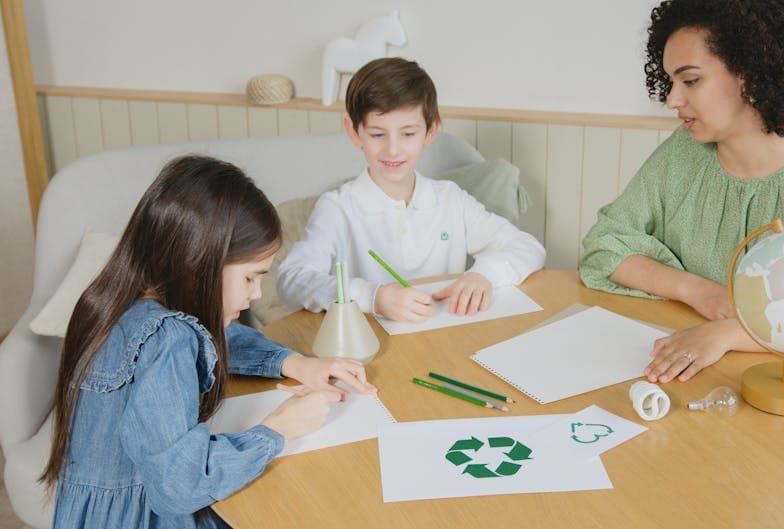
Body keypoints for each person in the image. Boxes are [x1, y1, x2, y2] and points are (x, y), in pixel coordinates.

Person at [40, 155, 378, 529]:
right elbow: (179, 486)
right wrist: (279, 428)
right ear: (199, 261)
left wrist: (293, 363)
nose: (255, 294)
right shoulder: (167, 340)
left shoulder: (116, 301)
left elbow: (216, 336)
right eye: (250, 278)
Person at [579, 0, 784, 384]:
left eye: (691, 80)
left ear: (750, 73)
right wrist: (698, 291)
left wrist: (732, 333)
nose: (671, 100)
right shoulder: (682, 156)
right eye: (670, 82)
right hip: (698, 380)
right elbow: (604, 246)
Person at [277, 57, 545, 322]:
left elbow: (527, 247)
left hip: (441, 340)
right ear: (353, 131)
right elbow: (291, 280)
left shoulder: (450, 200)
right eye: (377, 134)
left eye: (408, 134)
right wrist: (374, 297)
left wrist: (484, 274)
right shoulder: (338, 208)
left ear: (430, 131)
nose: (393, 149)